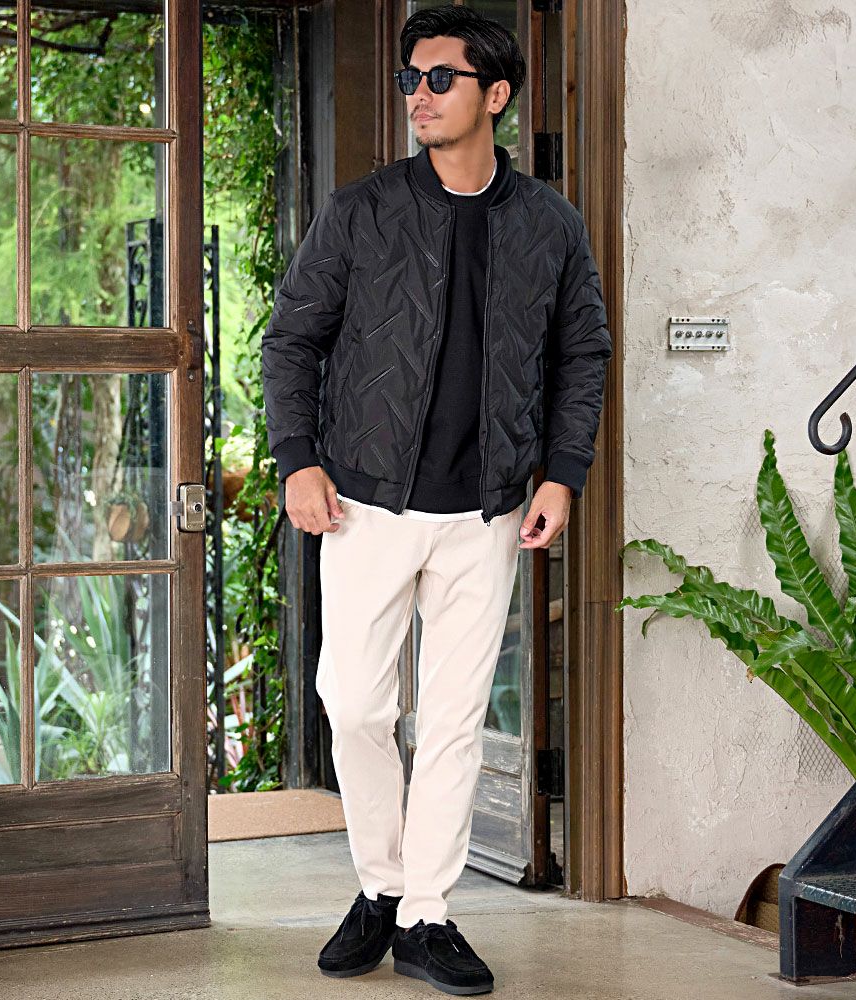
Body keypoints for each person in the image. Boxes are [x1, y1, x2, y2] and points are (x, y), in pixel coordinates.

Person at [261, 5, 611, 995]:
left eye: (440, 78)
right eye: (411, 78)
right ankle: (380, 883)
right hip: (365, 504)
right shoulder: (363, 210)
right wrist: (297, 458)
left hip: (486, 510)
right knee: (355, 705)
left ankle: (424, 913)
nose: (419, 95)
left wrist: (561, 473)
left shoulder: (548, 223)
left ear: (495, 95)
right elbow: (291, 338)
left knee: (454, 720)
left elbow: (582, 352)